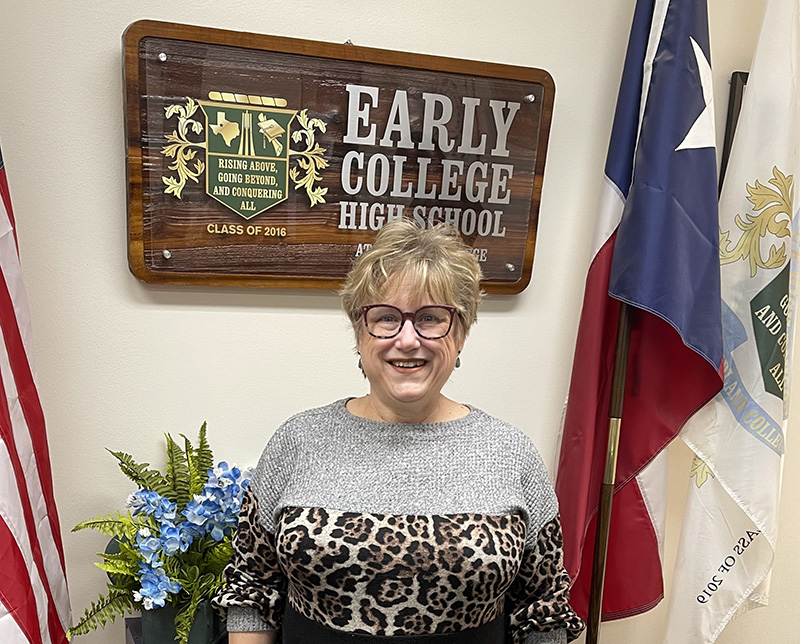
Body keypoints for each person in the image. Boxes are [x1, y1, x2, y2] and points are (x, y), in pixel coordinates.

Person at [212, 219, 585, 644]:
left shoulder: (510, 453)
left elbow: (543, 611)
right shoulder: (298, 441)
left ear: (460, 334)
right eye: (386, 318)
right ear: (359, 332)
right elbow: (252, 591)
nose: (408, 340)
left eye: (430, 318)